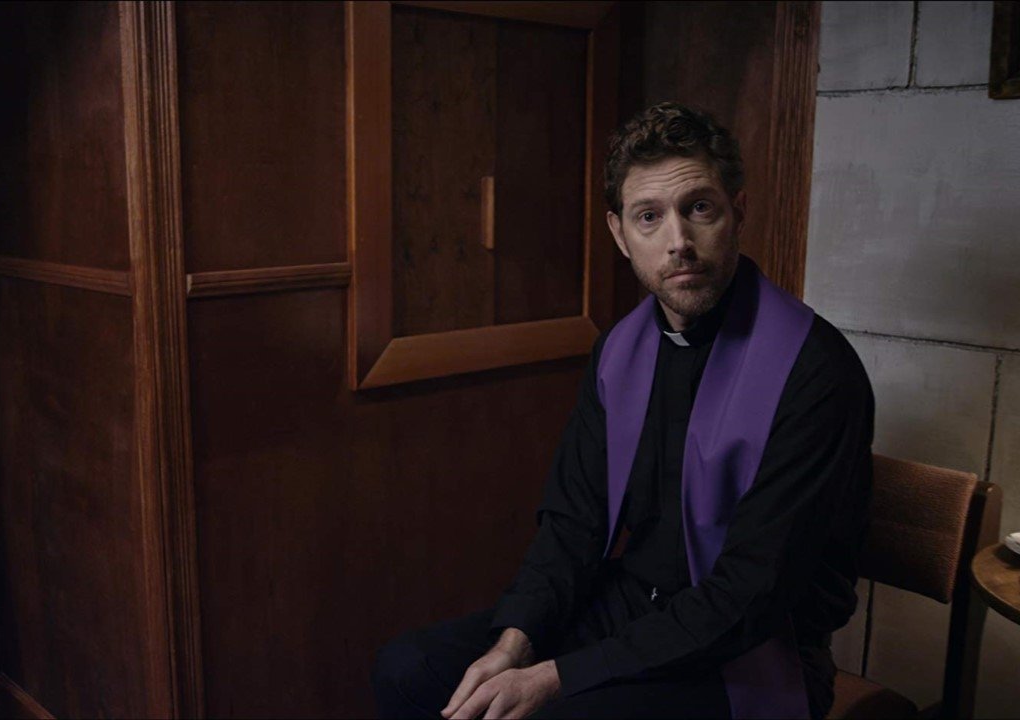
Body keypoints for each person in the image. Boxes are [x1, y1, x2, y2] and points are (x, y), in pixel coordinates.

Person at [372, 102, 874, 720]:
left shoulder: (814, 369)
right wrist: (515, 642)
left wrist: (557, 678)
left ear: (738, 211)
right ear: (619, 234)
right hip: (632, 607)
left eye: (699, 208)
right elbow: (573, 524)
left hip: (756, 652)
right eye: (649, 217)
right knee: (410, 669)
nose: (678, 242)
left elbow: (751, 595)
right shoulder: (620, 350)